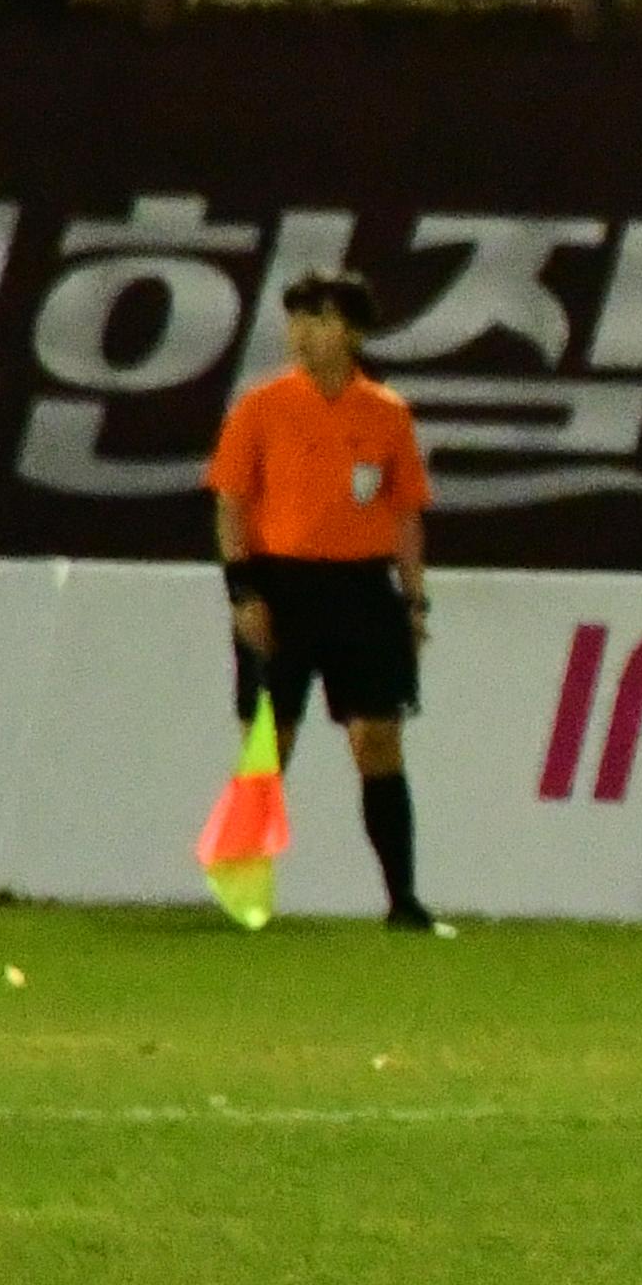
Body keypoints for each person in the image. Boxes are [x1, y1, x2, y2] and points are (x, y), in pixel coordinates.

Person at [209, 269, 446, 936]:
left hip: (362, 591)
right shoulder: (260, 407)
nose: (302, 335)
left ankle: (404, 901)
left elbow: (404, 514)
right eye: (295, 321)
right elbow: (230, 501)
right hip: (283, 587)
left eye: (317, 320)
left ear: (352, 331)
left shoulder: (386, 414)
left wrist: (415, 602)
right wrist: (242, 589)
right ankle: (241, 891)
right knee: (270, 740)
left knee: (378, 739)